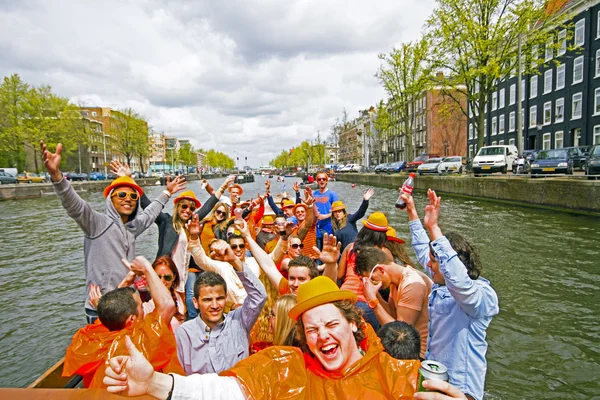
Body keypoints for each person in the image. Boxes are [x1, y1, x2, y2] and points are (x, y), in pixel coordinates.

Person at [103, 276, 422, 399]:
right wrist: (155, 383)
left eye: (330, 324)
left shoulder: (391, 372)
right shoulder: (288, 367)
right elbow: (221, 390)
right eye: (311, 329)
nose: (321, 336)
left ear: (353, 324)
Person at [40, 141, 186, 323]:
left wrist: (167, 192)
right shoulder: (96, 223)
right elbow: (74, 205)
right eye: (122, 195)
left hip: (127, 303)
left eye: (133, 196)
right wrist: (57, 176)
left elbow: (149, 214)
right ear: (111, 199)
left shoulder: (132, 228)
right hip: (100, 305)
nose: (129, 199)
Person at [405, 189, 499, 400]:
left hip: (462, 392)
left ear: (450, 262)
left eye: (434, 260)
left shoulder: (480, 295)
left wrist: (435, 229)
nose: (428, 265)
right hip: (436, 375)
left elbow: (460, 283)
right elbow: (422, 249)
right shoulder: (442, 281)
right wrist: (412, 212)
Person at [63, 256, 184, 388]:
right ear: (132, 319)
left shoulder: (93, 334)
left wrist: (124, 284)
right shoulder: (139, 342)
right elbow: (167, 306)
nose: (143, 310)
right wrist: (145, 266)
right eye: (140, 307)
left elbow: (115, 309)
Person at [175, 229, 267, 375]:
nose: (215, 305)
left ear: (225, 299)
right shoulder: (184, 333)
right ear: (196, 302)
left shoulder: (239, 322)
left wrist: (234, 261)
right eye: (207, 300)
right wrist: (194, 237)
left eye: (219, 299)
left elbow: (259, 296)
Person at [355, 246, 432, 358]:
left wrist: (373, 301)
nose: (372, 283)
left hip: (418, 354)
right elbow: (391, 314)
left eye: (372, 279)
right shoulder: (396, 282)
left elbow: (399, 333)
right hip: (404, 348)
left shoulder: (412, 284)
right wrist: (376, 295)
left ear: (381, 270)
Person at [337, 211, 390, 331]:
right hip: (365, 303)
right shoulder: (383, 253)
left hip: (343, 298)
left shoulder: (350, 247)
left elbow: (340, 275)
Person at [141, 256, 186, 331]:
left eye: (167, 277)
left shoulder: (178, 297)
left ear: (174, 277)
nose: (162, 281)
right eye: (158, 277)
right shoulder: (147, 305)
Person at [312, 171, 339, 249]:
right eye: (319, 179)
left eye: (323, 179)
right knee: (318, 251)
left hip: (328, 227)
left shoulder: (332, 194)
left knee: (327, 250)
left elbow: (337, 211)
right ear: (317, 181)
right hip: (316, 228)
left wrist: (325, 216)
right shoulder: (314, 194)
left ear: (326, 181)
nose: (321, 181)